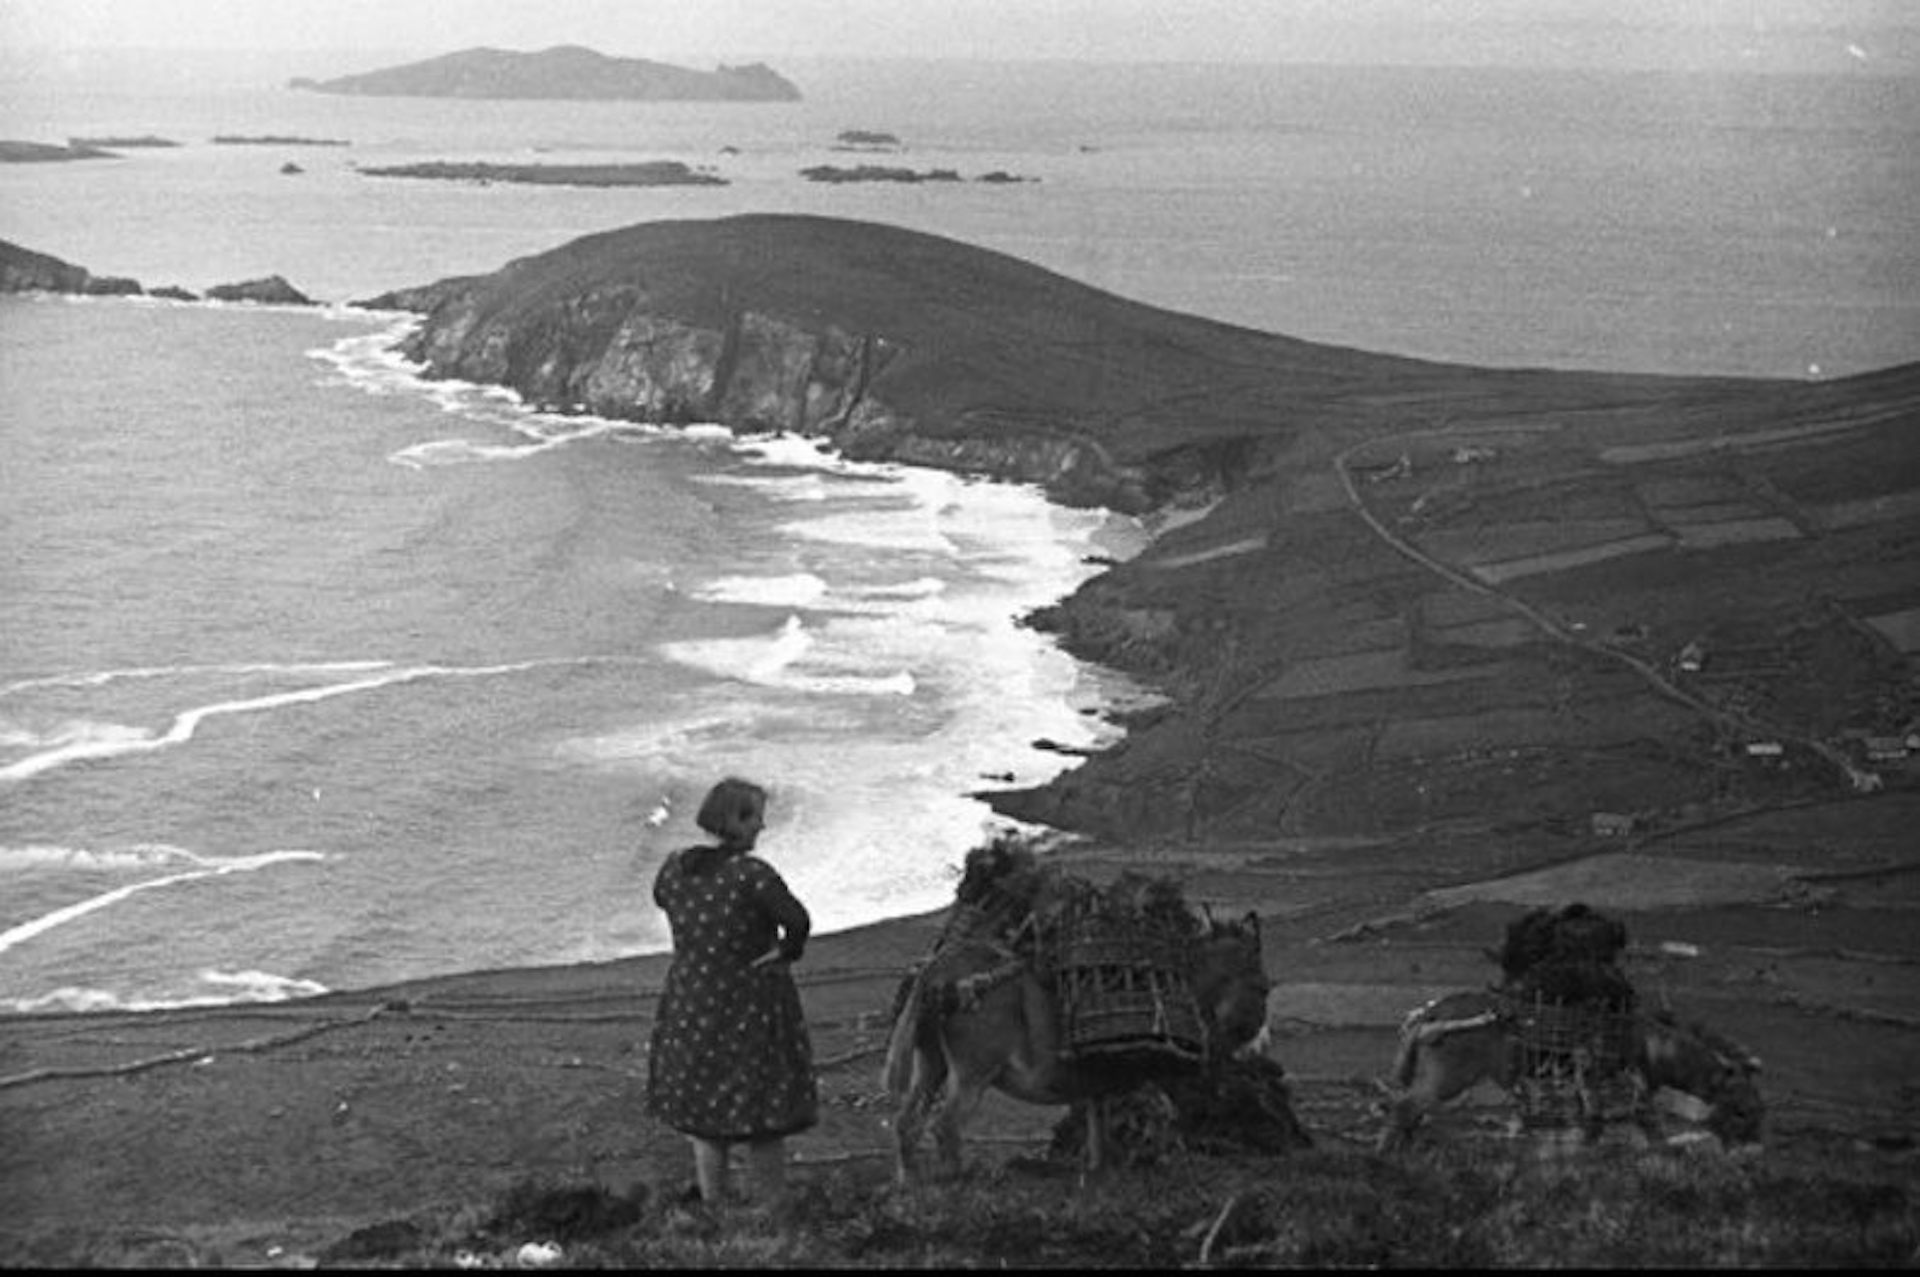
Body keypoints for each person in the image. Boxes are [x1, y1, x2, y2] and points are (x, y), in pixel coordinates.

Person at [645, 777, 818, 1206]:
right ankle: (770, 1209)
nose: (762, 826)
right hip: (750, 1001)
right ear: (735, 821)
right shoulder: (752, 875)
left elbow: (662, 899)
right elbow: (797, 921)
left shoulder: (674, 867)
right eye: (756, 817)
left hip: (691, 998)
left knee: (706, 1111)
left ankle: (714, 1207)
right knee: (764, 1110)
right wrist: (786, 952)